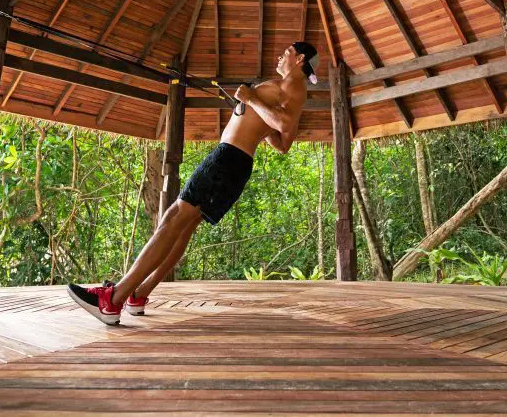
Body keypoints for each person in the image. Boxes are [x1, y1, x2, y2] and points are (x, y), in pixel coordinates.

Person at [68, 42, 319, 324]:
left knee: (173, 218)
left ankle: (112, 299)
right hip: (236, 163)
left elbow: (283, 127)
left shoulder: (293, 86)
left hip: (228, 159)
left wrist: (251, 100)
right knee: (183, 226)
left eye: (285, 52)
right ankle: (139, 293)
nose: (279, 55)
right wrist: (256, 116)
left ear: (299, 59)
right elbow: (281, 140)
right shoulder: (293, 90)